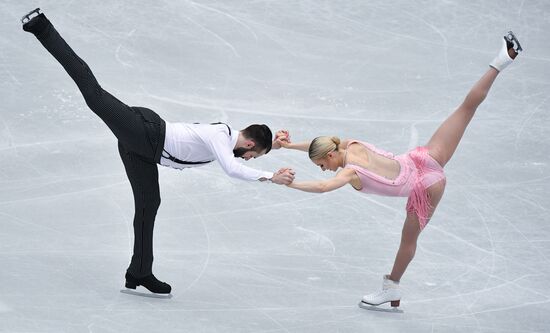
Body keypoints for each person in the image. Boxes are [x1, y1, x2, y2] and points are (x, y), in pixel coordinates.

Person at [21, 8, 295, 295]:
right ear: (250, 145)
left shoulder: (229, 140)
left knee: (149, 203)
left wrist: (275, 145)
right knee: (94, 94)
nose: (250, 159)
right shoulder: (221, 135)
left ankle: (139, 271)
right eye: (255, 155)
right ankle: (41, 27)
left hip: (144, 151)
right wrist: (269, 176)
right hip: (145, 133)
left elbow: (240, 155)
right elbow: (232, 168)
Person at [274, 32, 522, 308]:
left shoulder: (349, 172)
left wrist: (288, 184)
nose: (323, 170)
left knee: (407, 241)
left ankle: (391, 288)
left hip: (424, 187)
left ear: (331, 155)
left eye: (322, 165)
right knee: (465, 109)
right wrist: (288, 146)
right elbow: (316, 145)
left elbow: (322, 188)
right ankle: (501, 60)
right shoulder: (349, 144)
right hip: (424, 158)